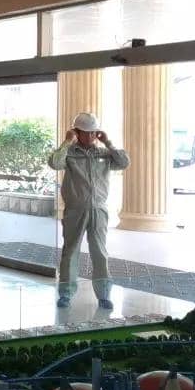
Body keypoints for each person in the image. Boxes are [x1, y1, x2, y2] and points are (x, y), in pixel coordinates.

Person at [49, 112, 130, 309]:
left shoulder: (103, 153)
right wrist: (67, 142)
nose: (91, 136)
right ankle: (66, 294)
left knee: (100, 252)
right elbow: (55, 163)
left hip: (98, 210)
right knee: (70, 252)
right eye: (87, 132)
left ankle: (104, 295)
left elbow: (124, 162)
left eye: (94, 132)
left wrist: (108, 142)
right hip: (75, 211)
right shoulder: (69, 153)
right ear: (77, 132)